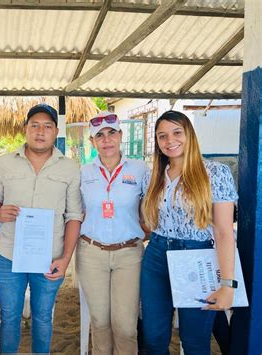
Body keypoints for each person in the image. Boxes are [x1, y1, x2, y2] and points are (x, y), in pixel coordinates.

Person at [0, 103, 83, 354]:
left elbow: (74, 216)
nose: (41, 132)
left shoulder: (70, 168)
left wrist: (65, 258)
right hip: (9, 255)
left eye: (47, 126)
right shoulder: (4, 163)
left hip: (50, 258)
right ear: (25, 129)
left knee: (43, 318)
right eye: (35, 125)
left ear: (56, 131)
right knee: (9, 318)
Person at [140, 110, 238, 354]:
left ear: (189, 135)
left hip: (196, 255)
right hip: (156, 255)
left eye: (176, 133)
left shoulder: (215, 173)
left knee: (193, 339)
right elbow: (148, 222)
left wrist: (228, 285)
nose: (169, 140)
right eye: (162, 136)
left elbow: (224, 231)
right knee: (153, 337)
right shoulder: (153, 175)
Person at [76, 111, 149, 355]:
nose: (106, 140)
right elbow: (76, 212)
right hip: (91, 253)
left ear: (121, 135)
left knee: (126, 326)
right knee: (100, 322)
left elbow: (151, 209)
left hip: (129, 255)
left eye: (111, 133)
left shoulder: (140, 170)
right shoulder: (83, 173)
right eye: (99, 135)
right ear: (92, 142)